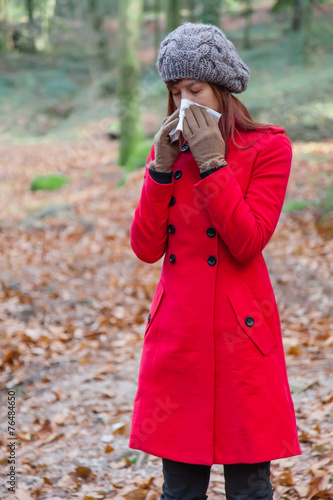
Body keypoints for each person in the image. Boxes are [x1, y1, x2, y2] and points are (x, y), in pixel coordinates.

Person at [128, 22, 302, 500]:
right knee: (180, 488)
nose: (184, 101)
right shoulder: (167, 151)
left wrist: (213, 162)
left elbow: (247, 240)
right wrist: (159, 170)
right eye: (174, 90)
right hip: (179, 338)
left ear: (222, 87)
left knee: (249, 487)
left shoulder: (268, 147)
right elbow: (145, 248)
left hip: (240, 336)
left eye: (195, 88)